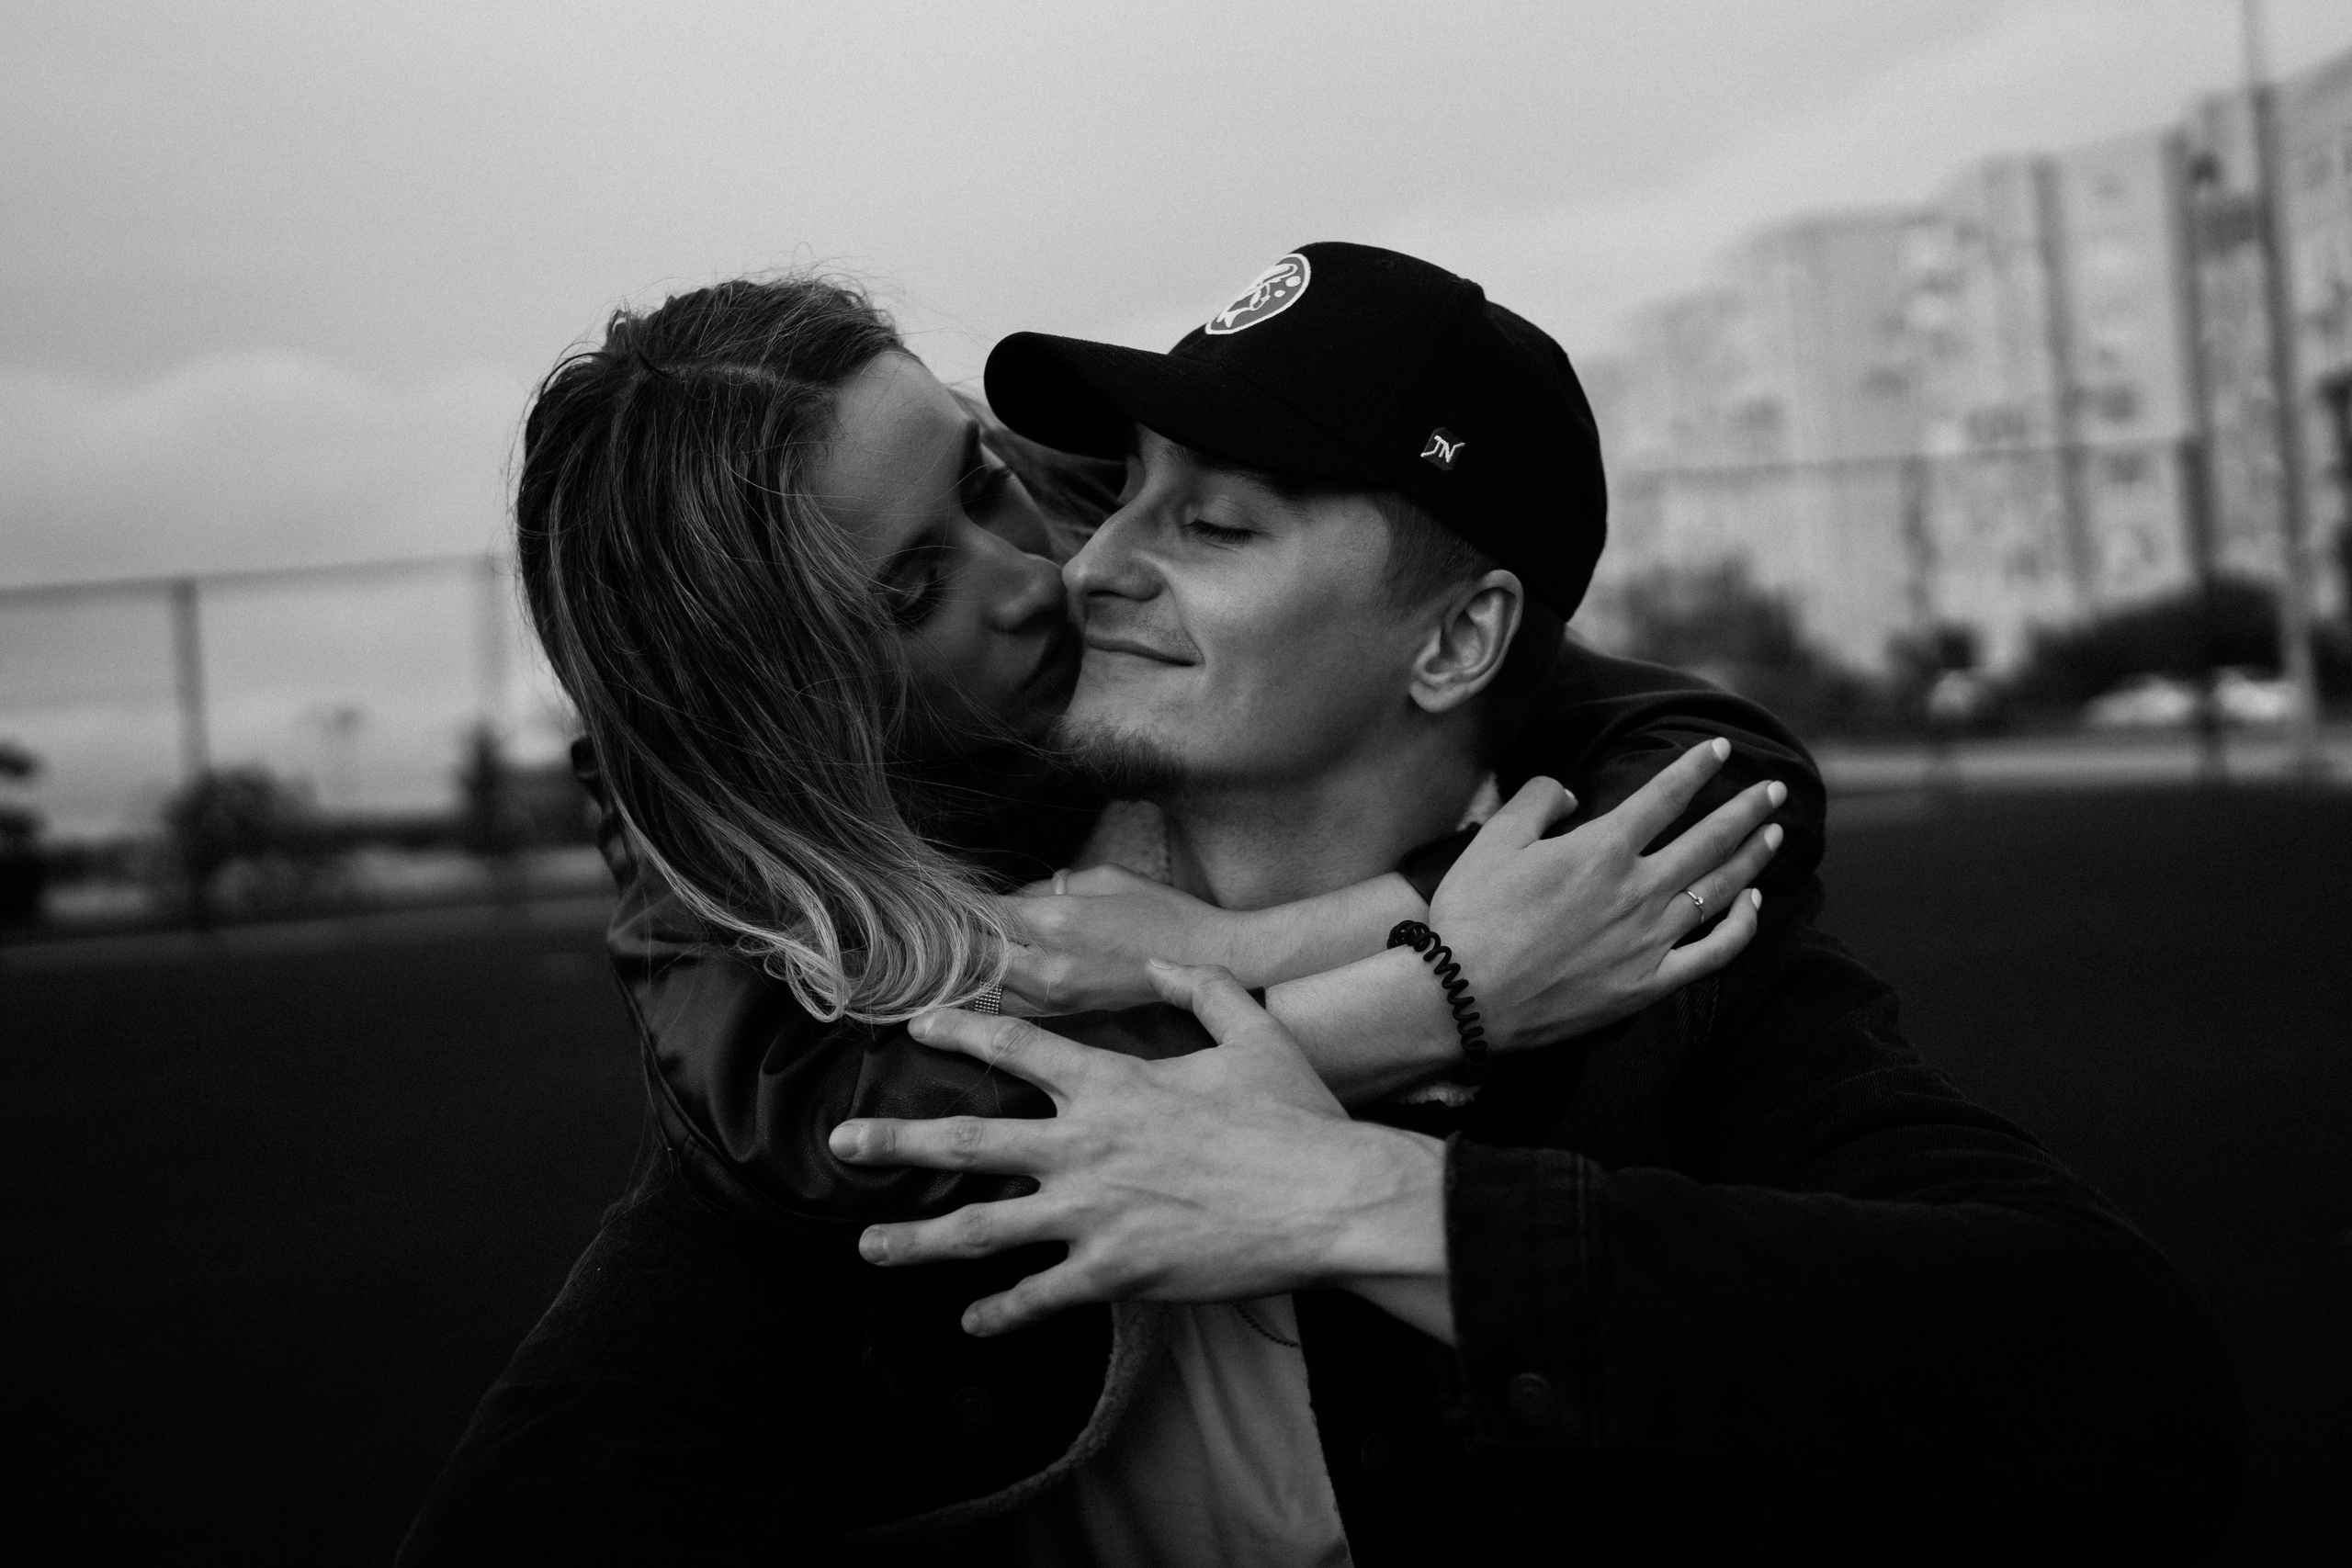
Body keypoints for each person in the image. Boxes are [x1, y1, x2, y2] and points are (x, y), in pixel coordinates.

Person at [817, 243, 2245, 1562]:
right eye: (1121, 488)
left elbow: (2124, 1373)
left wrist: (1362, 1201)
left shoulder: (1667, 975)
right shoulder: (934, 941)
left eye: (1214, 524)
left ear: (1460, 640)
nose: (1089, 566)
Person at [401, 270, 1818, 1562]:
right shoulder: (720, 903)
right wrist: (1434, 993)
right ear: (776, 716)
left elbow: (1693, 746)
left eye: (986, 477)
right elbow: (892, 1136)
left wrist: (1252, 948)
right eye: (910, 591)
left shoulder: (1093, 535)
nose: (1044, 575)